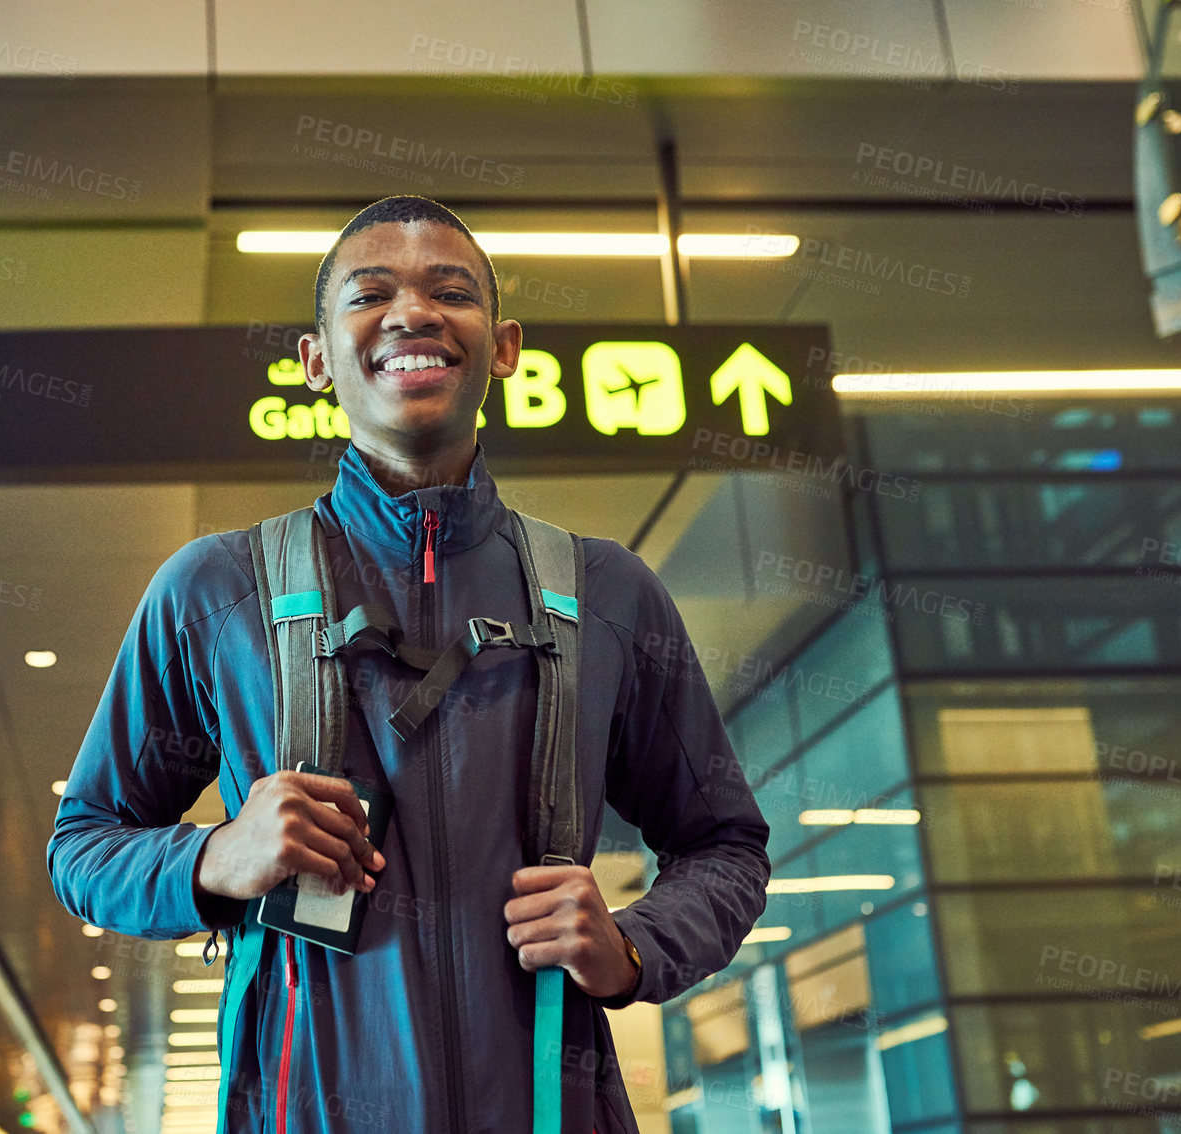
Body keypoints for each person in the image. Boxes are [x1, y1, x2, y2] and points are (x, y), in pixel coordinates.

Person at [48, 195, 770, 1133]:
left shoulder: (608, 594)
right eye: (370, 293)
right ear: (315, 361)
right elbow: (83, 844)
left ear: (503, 346)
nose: (412, 313)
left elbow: (724, 845)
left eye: (450, 291)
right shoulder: (213, 593)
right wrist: (213, 858)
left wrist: (632, 947)